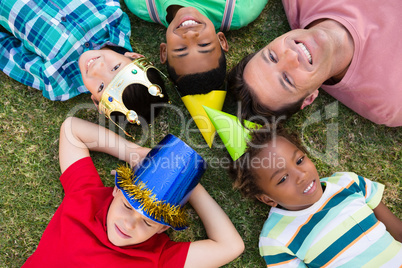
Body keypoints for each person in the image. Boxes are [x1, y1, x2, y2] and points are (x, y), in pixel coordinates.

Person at [22, 116, 244, 267]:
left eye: (148, 222)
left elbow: (231, 246)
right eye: (128, 206)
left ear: (163, 228)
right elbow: (72, 129)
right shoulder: (86, 197)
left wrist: (191, 185)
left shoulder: (158, 257)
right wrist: (131, 152)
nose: (129, 225)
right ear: (117, 190)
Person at [229, 125, 402, 267]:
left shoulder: (348, 182)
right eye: (282, 178)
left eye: (299, 160)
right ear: (268, 199)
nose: (301, 175)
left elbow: (398, 231)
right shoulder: (276, 238)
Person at [228, 0, 402, 127]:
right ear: (309, 97)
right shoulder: (389, 101)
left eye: (272, 57)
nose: (290, 57)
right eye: (287, 80)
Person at [124, 0, 268, 146]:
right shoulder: (239, 10)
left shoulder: (142, 5)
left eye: (181, 50)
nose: (190, 34)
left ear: (164, 51)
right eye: (204, 45)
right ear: (221, 40)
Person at [0, 0, 168, 123]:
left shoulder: (58, 80)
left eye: (101, 87)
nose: (98, 68)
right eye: (116, 67)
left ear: (96, 101)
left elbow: (10, 56)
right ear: (134, 56)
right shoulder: (113, 19)